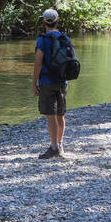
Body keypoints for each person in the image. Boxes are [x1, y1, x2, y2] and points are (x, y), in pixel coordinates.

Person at [32, 8, 69, 159]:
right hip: (62, 81)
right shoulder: (64, 38)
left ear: (44, 22)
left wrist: (34, 83)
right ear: (57, 21)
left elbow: (38, 64)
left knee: (51, 115)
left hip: (47, 81)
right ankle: (60, 145)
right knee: (60, 114)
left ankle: (53, 147)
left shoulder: (42, 40)